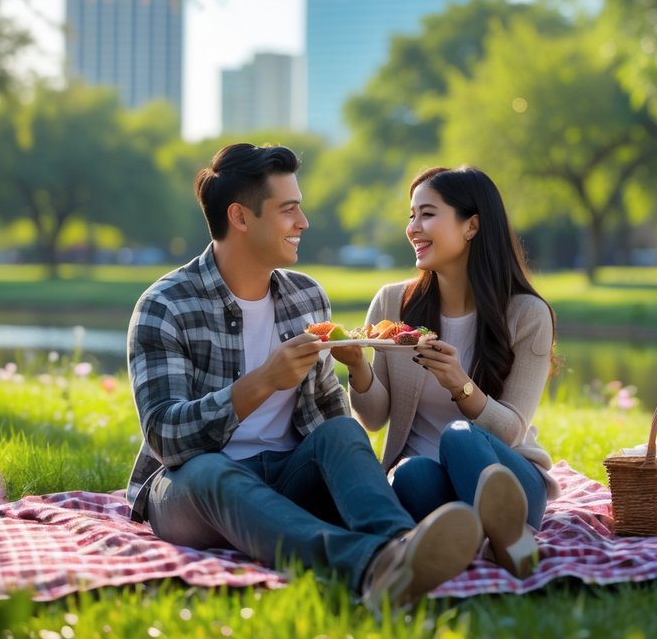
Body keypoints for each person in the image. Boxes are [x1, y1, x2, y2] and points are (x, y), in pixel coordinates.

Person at [125, 143, 482, 611]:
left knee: (341, 430)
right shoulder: (165, 305)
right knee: (213, 470)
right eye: (288, 209)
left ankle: (404, 548)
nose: (303, 222)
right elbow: (167, 440)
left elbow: (328, 419)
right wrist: (262, 382)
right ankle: (372, 563)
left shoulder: (306, 298)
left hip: (287, 474)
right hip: (191, 491)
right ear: (240, 217)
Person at [343, 166, 558, 579]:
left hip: (511, 482)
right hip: (430, 482)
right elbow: (372, 419)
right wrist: (358, 369)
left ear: (472, 225)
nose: (413, 228)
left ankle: (509, 532)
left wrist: (460, 384)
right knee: (409, 472)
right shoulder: (392, 304)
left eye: (427, 214)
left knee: (458, 439)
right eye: (411, 215)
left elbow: (511, 431)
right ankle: (482, 541)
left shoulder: (528, 314)